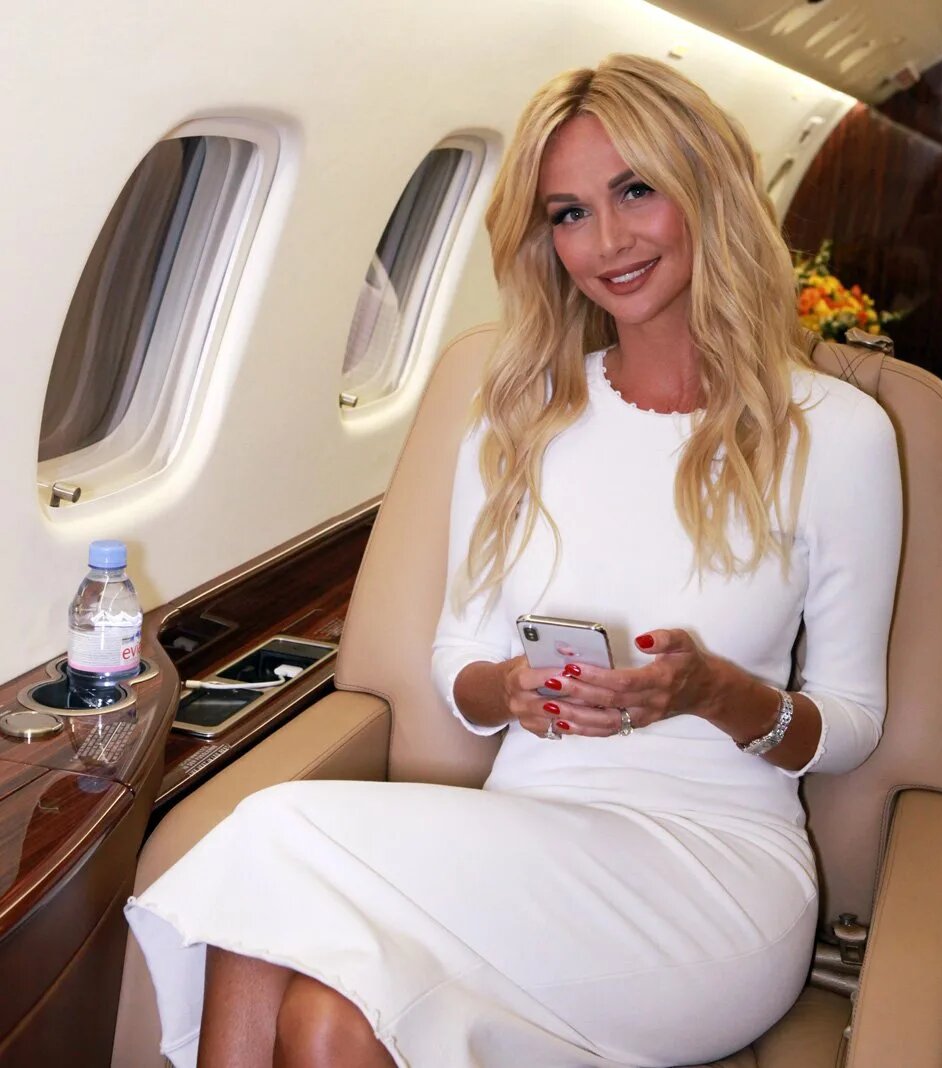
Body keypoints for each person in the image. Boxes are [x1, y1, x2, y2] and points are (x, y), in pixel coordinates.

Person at [126, 54, 902, 1067]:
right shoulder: (520, 418)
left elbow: (849, 725)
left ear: (708, 188)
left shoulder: (836, 433)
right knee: (322, 1023)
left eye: (635, 190)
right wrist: (511, 691)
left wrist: (714, 693)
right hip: (529, 837)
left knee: (275, 837)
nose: (606, 241)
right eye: (569, 212)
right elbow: (459, 662)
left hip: (713, 879)